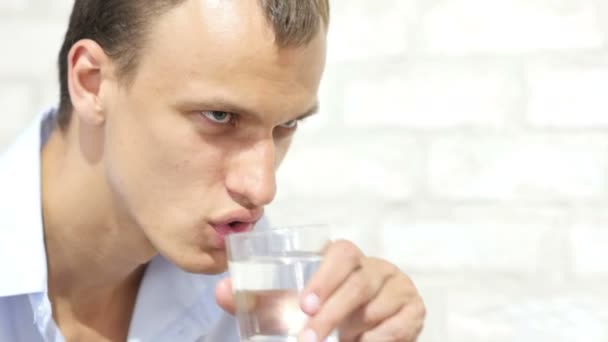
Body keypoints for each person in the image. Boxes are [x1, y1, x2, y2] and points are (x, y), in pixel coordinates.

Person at [0, 0, 426, 341]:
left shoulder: (261, 290)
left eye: (287, 124)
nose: (261, 188)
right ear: (92, 82)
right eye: (220, 116)